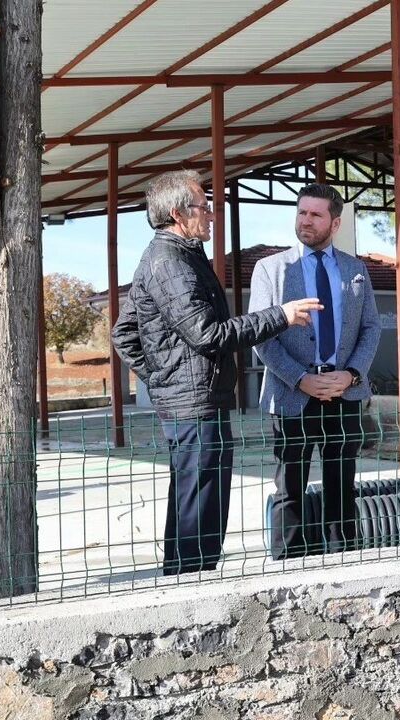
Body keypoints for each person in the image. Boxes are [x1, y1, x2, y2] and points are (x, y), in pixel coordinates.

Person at [112, 170, 321, 575]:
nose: (211, 215)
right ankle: (194, 587)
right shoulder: (170, 262)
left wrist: (160, 377)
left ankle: (189, 579)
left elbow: (124, 334)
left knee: (196, 499)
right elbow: (209, 335)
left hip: (193, 399)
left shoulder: (176, 256)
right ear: (178, 214)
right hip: (193, 404)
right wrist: (282, 315)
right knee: (200, 505)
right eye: (204, 207)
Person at [249, 184, 381, 560]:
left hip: (344, 392)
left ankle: (344, 564)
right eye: (301, 212)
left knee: (342, 487)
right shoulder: (270, 270)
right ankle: (289, 568)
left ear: (335, 222)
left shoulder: (356, 270)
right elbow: (262, 337)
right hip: (293, 395)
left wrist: (352, 374)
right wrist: (302, 379)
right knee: (290, 488)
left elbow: (371, 327)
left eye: (315, 214)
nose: (305, 220)